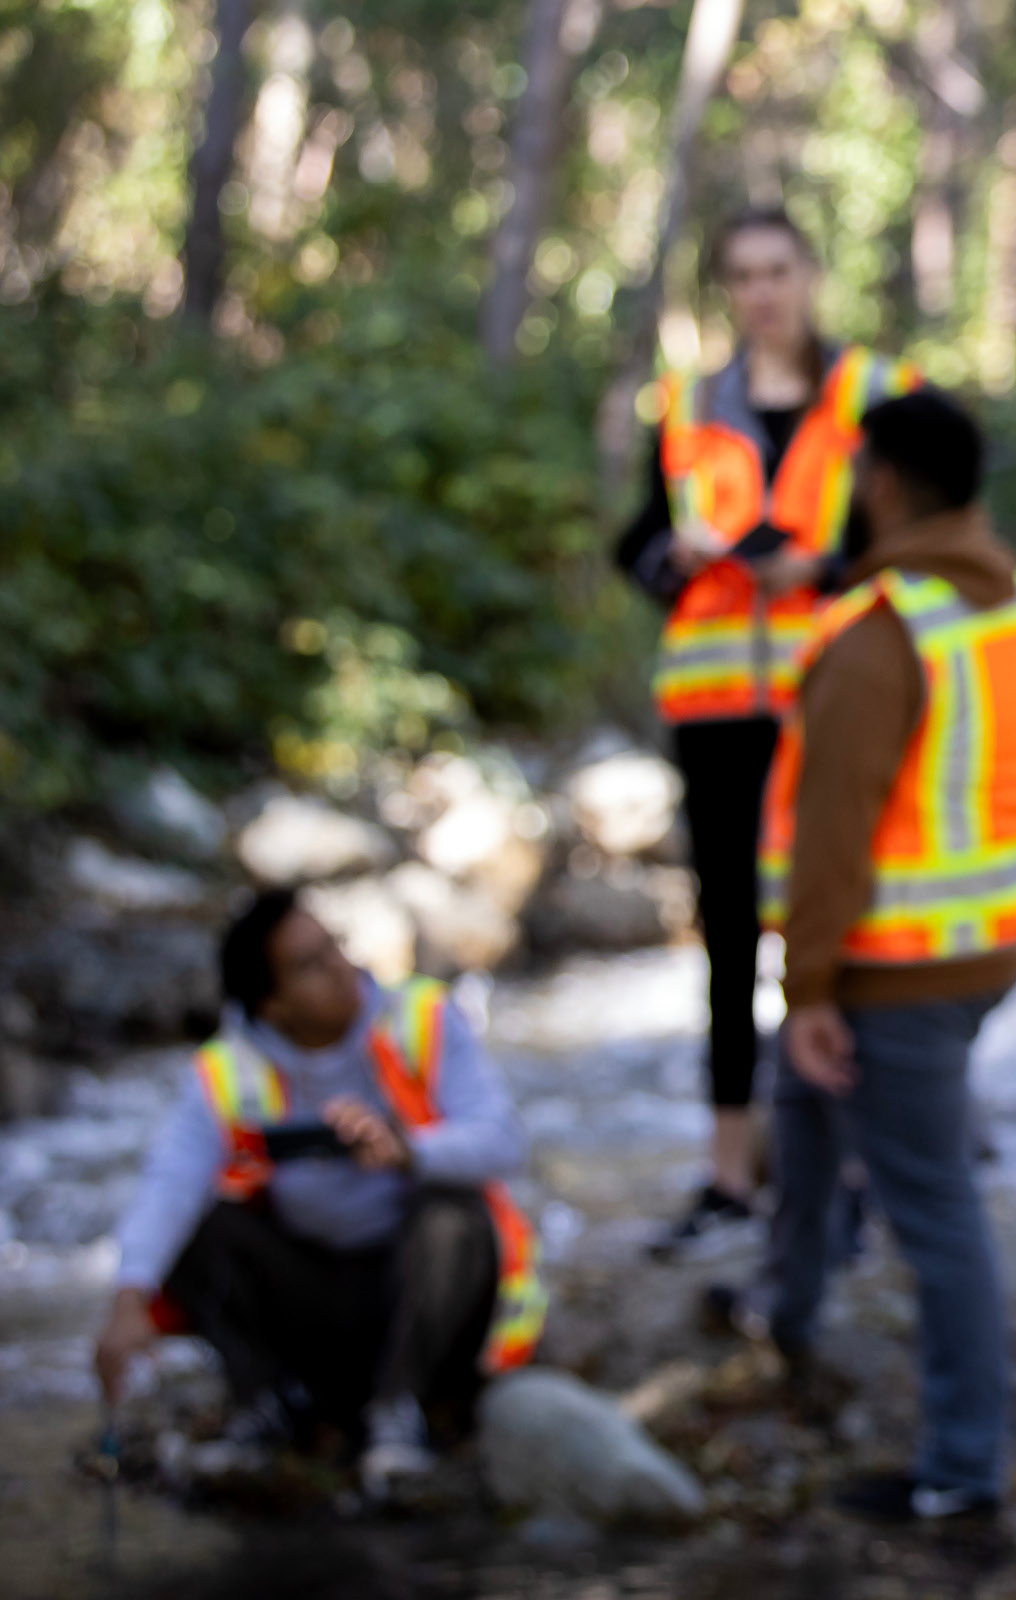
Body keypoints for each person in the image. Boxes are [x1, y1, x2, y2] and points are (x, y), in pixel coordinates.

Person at [747, 388, 1016, 1523]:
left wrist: (813, 987)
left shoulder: (880, 632)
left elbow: (832, 836)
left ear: (879, 482)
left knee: (933, 1213)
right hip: (988, 948)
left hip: (895, 974)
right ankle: (780, 1316)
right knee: (800, 1108)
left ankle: (961, 1470)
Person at [613, 207, 918, 1256]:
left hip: (837, 698)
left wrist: (822, 571)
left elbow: (920, 537)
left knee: (841, 925)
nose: (764, 292)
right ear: (726, 291)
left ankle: (852, 1160)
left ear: (811, 274)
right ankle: (729, 1171)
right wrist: (682, 558)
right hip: (717, 712)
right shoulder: (689, 407)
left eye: (779, 270)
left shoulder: (879, 396)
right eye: (742, 275)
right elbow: (637, 547)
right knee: (730, 934)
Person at [92, 890, 542, 1497]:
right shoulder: (227, 1071)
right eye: (310, 963)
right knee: (205, 1227)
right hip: (317, 1299)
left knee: (453, 1211)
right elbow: (169, 1184)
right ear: (271, 1005)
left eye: (333, 945)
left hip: (428, 1296)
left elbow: (504, 1142)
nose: (340, 967)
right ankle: (272, 1402)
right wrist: (128, 1300)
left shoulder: (423, 1017)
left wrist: (410, 1151)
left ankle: (397, 1408)